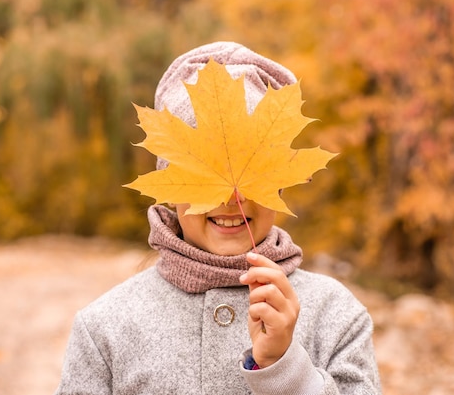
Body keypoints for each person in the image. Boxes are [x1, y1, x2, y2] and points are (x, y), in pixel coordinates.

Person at [54, 41, 381, 394]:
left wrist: (284, 368)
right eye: (202, 175)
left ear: (280, 182)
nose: (233, 197)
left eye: (253, 171)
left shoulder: (335, 314)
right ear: (171, 185)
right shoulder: (105, 328)